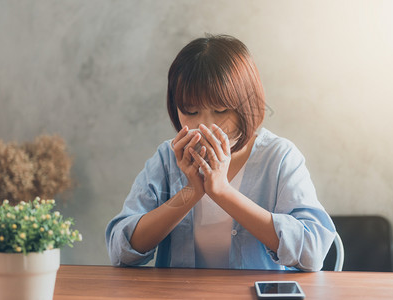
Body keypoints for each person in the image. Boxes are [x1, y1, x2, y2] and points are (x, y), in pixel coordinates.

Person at [105, 34, 335, 271]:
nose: (204, 125)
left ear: (247, 104)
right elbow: (120, 251)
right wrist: (190, 193)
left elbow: (312, 253)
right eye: (191, 112)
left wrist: (223, 192)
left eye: (220, 110)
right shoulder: (167, 158)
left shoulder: (279, 157)